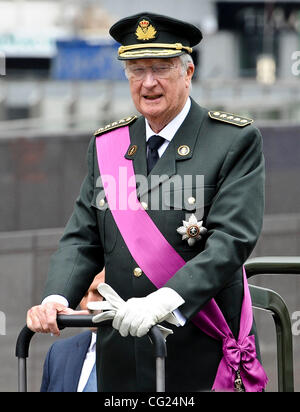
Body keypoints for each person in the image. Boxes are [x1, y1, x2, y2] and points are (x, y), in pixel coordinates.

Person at [27, 12, 266, 392]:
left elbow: (232, 241)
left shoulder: (233, 141)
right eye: (136, 70)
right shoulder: (108, 146)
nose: (148, 82)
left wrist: (166, 301)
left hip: (196, 356)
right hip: (120, 360)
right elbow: (82, 237)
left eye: (161, 68)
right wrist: (57, 297)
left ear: (188, 73)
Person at [40, 271, 104, 392]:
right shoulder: (59, 352)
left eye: (99, 292)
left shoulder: (144, 347)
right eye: (83, 294)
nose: (89, 303)